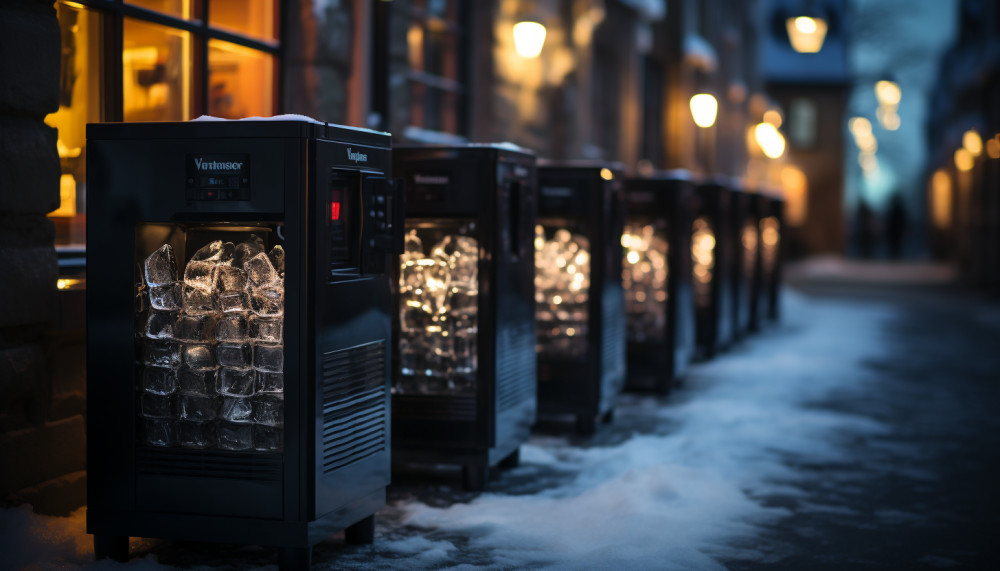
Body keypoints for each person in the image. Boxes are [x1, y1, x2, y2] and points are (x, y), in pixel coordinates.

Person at [886, 193, 907, 259]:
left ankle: (896, 257)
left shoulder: (896, 209)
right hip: (894, 231)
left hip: (896, 231)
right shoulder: (893, 209)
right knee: (894, 246)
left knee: (896, 246)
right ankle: (895, 257)